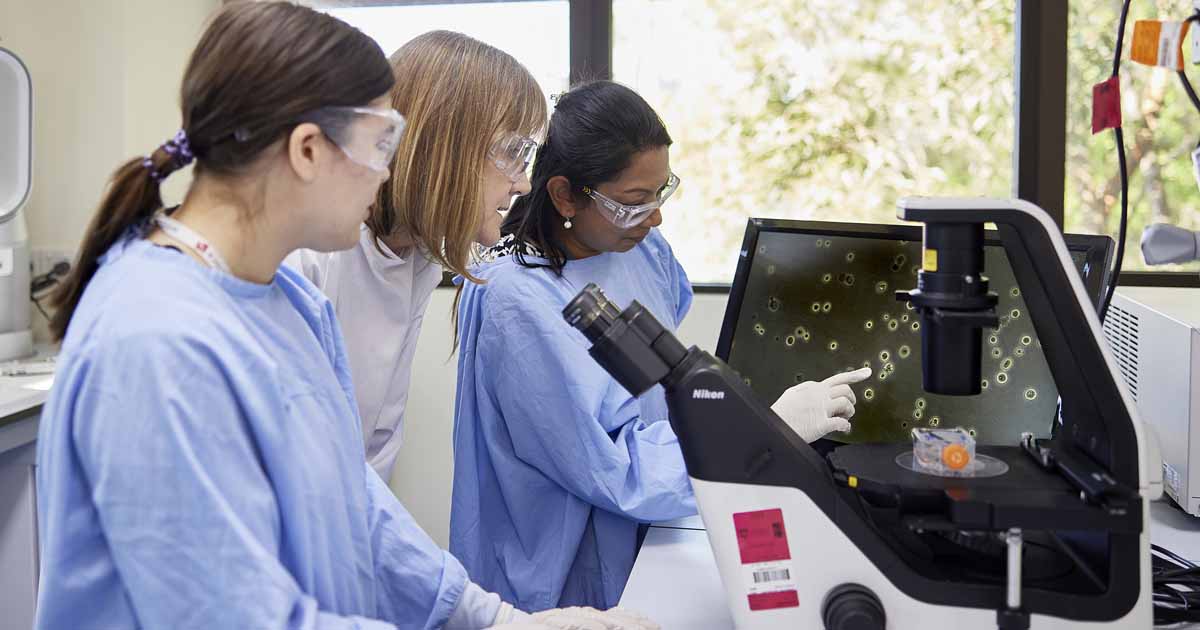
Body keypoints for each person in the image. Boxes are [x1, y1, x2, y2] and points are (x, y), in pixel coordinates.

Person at [35, 5, 644, 629]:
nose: (388, 173)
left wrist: (498, 621)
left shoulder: (291, 304)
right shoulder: (156, 338)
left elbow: (354, 499)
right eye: (381, 144)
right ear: (307, 150)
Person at [450, 80, 872, 612]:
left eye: (661, 191)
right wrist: (766, 431)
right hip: (562, 571)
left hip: (657, 520)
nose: (654, 218)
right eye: (632, 202)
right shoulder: (514, 300)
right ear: (564, 195)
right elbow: (611, 469)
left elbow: (661, 387)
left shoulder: (639, 249)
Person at [288, 30, 545, 483]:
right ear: (444, 145)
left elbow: (375, 449)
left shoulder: (418, 257)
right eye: (513, 153)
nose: (523, 184)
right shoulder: (309, 259)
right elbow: (296, 466)